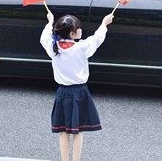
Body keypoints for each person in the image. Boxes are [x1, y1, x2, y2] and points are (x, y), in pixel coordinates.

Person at [40, 11, 114, 161]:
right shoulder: (81, 48)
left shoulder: (54, 47)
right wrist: (104, 24)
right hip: (80, 92)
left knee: (63, 131)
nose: (81, 30)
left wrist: (50, 21)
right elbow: (97, 38)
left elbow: (43, 37)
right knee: (78, 131)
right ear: (73, 34)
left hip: (62, 92)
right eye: (78, 28)